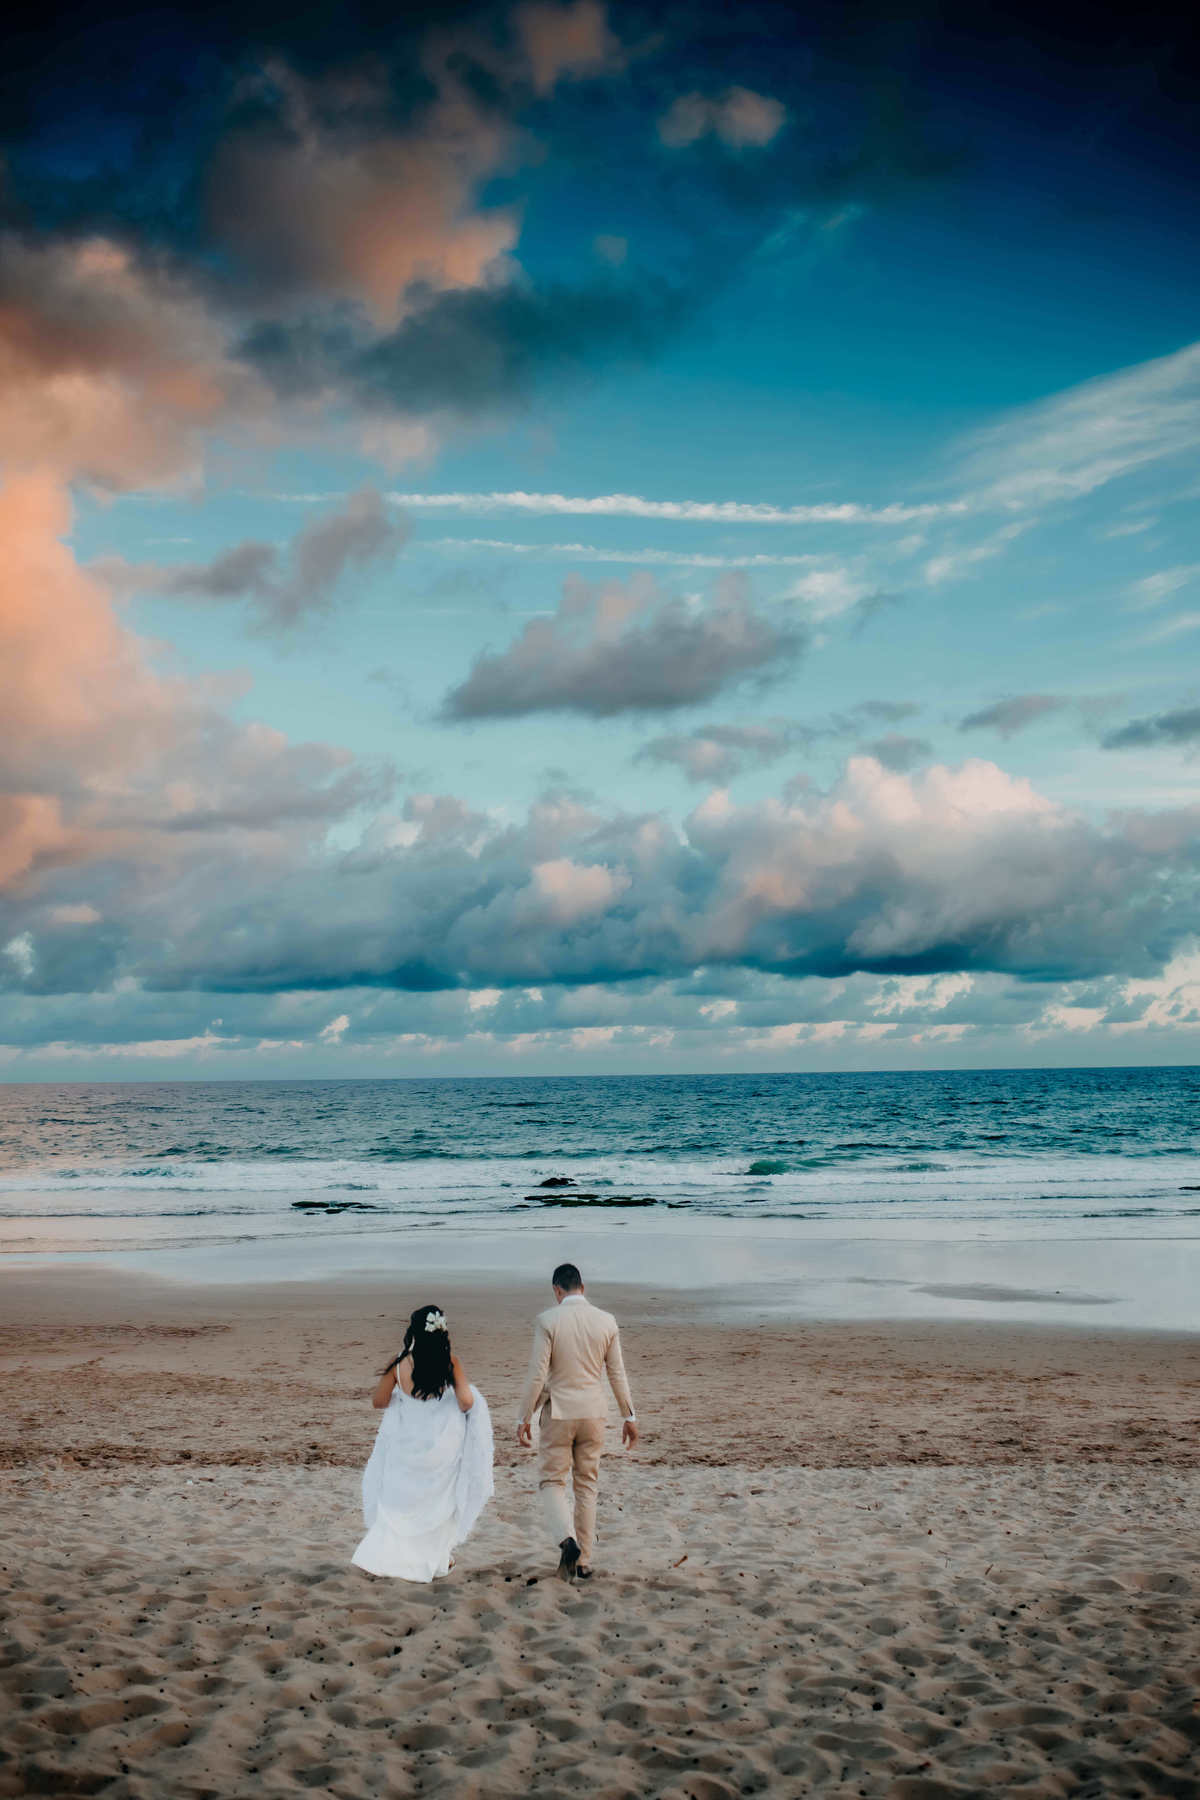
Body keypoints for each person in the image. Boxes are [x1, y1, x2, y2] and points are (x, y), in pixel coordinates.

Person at [352, 1303, 494, 1582]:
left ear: (414, 1330)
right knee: (438, 1501)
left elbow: (378, 1401)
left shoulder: (401, 1362)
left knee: (400, 1500)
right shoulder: (450, 1362)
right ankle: (436, 1556)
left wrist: (402, 1397)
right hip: (441, 1444)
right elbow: (466, 1401)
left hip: (407, 1443)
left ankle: (390, 1557)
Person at [516, 1262, 638, 1581]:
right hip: (594, 1413)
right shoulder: (606, 1321)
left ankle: (567, 1540)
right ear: (582, 1288)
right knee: (587, 1484)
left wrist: (524, 1415)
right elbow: (616, 1373)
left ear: (557, 1290)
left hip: (559, 1411)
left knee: (552, 1481)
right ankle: (584, 1560)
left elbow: (538, 1374)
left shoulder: (548, 1320)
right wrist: (629, 1415)